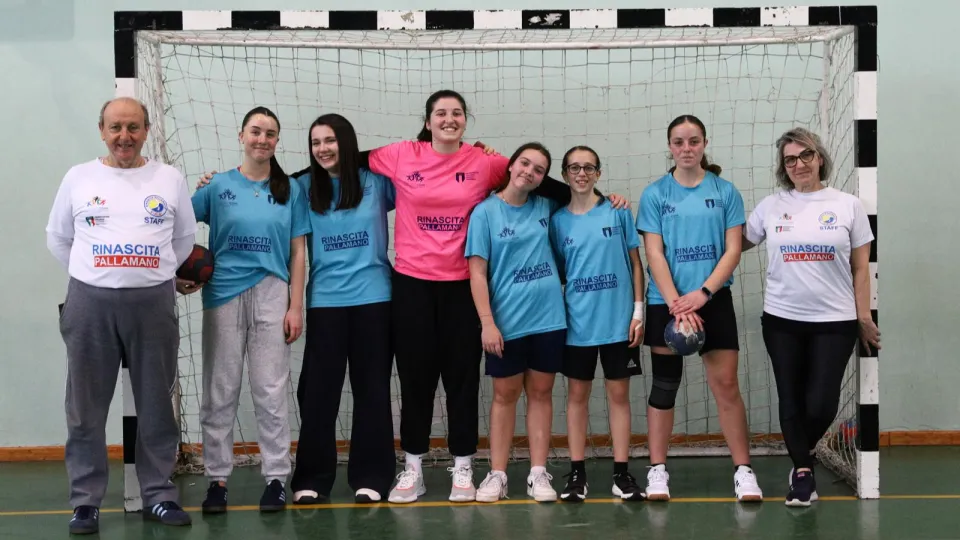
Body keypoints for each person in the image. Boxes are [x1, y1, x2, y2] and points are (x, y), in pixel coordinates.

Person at [45, 97, 195, 534]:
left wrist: (147, 274)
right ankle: (86, 502)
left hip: (153, 305)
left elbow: (183, 239)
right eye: (115, 128)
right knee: (85, 408)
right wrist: (98, 276)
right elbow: (58, 238)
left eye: (133, 127)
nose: (124, 137)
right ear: (102, 130)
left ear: (146, 130)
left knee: (156, 404)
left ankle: (159, 494)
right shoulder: (79, 177)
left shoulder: (168, 178)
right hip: (89, 303)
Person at [743, 127, 879, 506]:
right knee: (790, 398)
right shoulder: (771, 206)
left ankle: (801, 457)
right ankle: (802, 472)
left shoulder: (848, 205)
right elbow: (733, 245)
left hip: (835, 321)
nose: (798, 164)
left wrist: (863, 316)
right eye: (790, 159)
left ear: (819, 158)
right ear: (783, 167)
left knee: (820, 404)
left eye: (805, 156)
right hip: (782, 320)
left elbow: (861, 269)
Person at [635, 114, 763, 502]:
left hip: (713, 300)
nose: (686, 148)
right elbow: (653, 252)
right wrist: (677, 301)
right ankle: (657, 470)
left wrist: (703, 294)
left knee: (725, 386)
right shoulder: (655, 194)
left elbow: (733, 248)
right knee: (664, 386)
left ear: (704, 143)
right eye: (678, 142)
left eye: (693, 141)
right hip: (666, 302)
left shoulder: (725, 191)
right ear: (669, 147)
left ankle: (744, 470)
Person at [190, 106, 310, 514]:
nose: (262, 139)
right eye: (256, 131)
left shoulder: (290, 190)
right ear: (241, 135)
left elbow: (298, 252)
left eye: (271, 133)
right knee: (219, 390)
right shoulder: (217, 186)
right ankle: (217, 481)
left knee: (270, 389)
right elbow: (175, 228)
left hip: (273, 293)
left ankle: (276, 478)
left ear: (277, 141)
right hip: (222, 293)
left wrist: (296, 305)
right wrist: (179, 275)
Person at [288, 114, 397, 505]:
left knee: (372, 391)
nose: (323, 149)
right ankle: (312, 478)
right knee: (318, 394)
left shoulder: (377, 182)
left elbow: (429, 190)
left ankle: (372, 476)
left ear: (346, 142)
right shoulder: (301, 187)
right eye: (315, 142)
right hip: (326, 303)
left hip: (375, 300)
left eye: (330, 140)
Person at [465, 142, 566, 503]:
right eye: (524, 163)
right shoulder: (485, 213)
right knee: (505, 396)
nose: (530, 172)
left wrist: (613, 198)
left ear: (543, 179)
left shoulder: (548, 207)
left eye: (539, 169)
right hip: (505, 322)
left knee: (541, 394)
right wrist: (487, 323)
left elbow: (582, 197)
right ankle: (498, 474)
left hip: (549, 319)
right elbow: (477, 273)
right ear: (511, 165)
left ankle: (538, 473)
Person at [549, 146, 646, 502]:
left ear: (598, 174)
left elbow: (637, 264)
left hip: (619, 324)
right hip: (578, 326)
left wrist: (638, 313)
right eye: (574, 167)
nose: (581, 173)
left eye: (589, 167)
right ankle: (577, 473)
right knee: (577, 396)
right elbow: (561, 271)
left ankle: (622, 473)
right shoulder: (558, 221)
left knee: (619, 396)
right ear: (564, 174)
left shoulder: (617, 211)